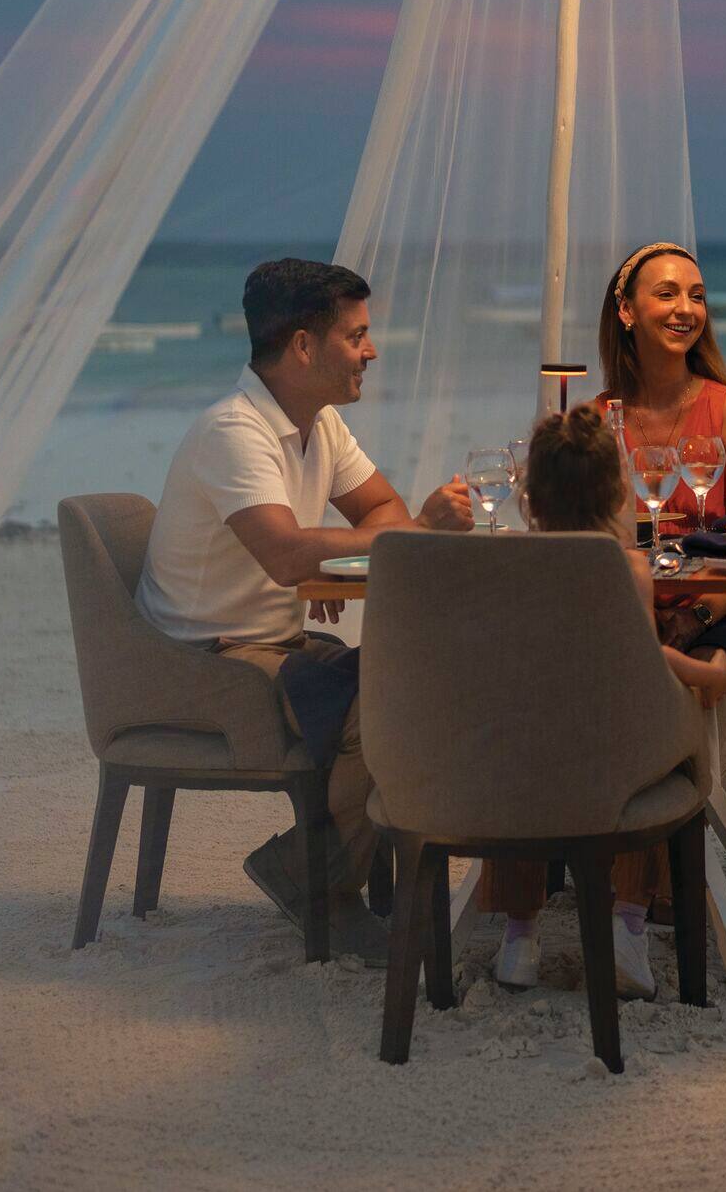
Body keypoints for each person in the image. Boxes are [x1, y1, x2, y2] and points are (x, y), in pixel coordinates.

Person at [135, 258, 474, 964]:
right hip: (203, 658)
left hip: (273, 642)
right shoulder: (235, 431)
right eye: (357, 336)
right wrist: (375, 543)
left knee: (424, 679)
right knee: (381, 704)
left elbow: (380, 510)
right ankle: (316, 882)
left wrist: (344, 550)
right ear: (302, 347)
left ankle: (320, 870)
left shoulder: (319, 425)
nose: (371, 351)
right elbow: (288, 554)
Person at [475, 407, 726, 998]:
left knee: (515, 758)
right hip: (611, 761)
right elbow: (644, 661)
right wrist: (708, 675)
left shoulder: (511, 565)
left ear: (529, 497)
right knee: (653, 753)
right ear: (617, 491)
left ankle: (520, 935)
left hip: (527, 760)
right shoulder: (627, 569)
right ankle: (628, 924)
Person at [597, 241, 726, 700]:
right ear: (627, 310)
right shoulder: (598, 419)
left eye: (697, 296)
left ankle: (693, 774)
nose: (685, 309)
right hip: (631, 612)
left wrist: (696, 617)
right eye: (667, 294)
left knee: (694, 685)